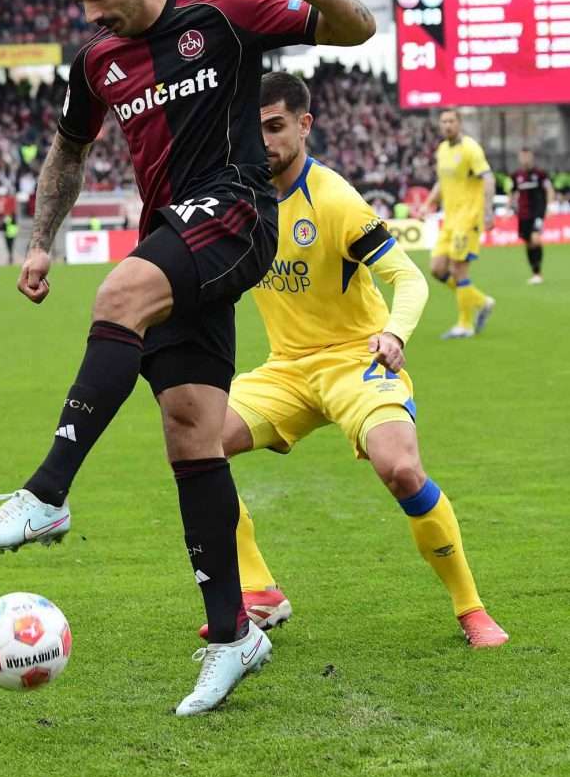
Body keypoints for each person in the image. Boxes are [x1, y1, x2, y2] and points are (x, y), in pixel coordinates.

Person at [0, 0, 376, 715]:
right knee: (191, 430)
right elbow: (69, 151)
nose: (89, 13)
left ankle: (47, 493)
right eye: (79, 0)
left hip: (240, 209)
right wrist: (40, 242)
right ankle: (233, 638)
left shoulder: (222, 14)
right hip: (176, 234)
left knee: (119, 294)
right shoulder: (96, 61)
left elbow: (360, 31)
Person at [200, 73, 508, 648]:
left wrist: (394, 333)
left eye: (275, 127)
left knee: (401, 469)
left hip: (355, 361)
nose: (263, 140)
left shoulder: (335, 199)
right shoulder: (242, 198)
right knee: (196, 445)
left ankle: (471, 609)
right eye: (254, 128)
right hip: (287, 369)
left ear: (304, 125)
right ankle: (259, 591)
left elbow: (409, 279)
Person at [420, 110, 496, 340]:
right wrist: (428, 204)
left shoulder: (471, 148)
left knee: (458, 270)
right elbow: (441, 182)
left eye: (451, 121)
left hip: (468, 218)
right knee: (437, 269)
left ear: (459, 123)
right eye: (443, 122)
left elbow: (488, 177)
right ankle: (481, 301)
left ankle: (465, 324)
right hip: (449, 220)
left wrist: (488, 211)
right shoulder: (442, 150)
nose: (447, 125)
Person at [510, 147, 554, 284]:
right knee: (528, 243)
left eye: (527, 156)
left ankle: (539, 273)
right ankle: (535, 272)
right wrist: (508, 208)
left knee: (536, 239)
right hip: (523, 214)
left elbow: (549, 190)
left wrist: (550, 207)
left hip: (537, 212)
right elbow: (512, 192)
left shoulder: (540, 174)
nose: (525, 159)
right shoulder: (516, 175)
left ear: (532, 157)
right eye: (522, 157)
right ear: (519, 158)